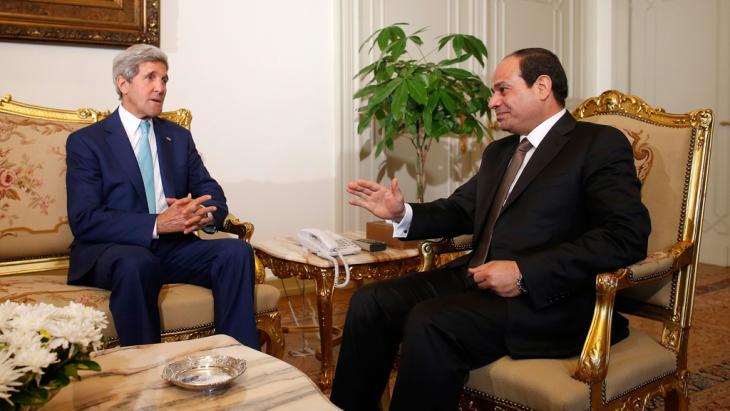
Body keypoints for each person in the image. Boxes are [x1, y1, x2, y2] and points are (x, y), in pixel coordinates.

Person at [330, 48, 651, 410]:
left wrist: (525, 273)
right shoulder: (500, 152)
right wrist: (402, 212)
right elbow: (460, 208)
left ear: (542, 86)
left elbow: (626, 235)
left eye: (502, 90)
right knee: (370, 301)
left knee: (430, 322)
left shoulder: (596, 144)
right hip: (476, 278)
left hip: (547, 299)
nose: (492, 101)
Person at [65, 44, 258, 349]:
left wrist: (203, 214)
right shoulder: (87, 143)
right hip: (115, 251)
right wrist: (157, 224)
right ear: (123, 83)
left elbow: (211, 191)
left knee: (236, 253)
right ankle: (146, 374)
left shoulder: (176, 136)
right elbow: (85, 219)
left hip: (173, 248)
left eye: (165, 79)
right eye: (150, 78)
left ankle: (238, 358)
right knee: (137, 263)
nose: (160, 88)